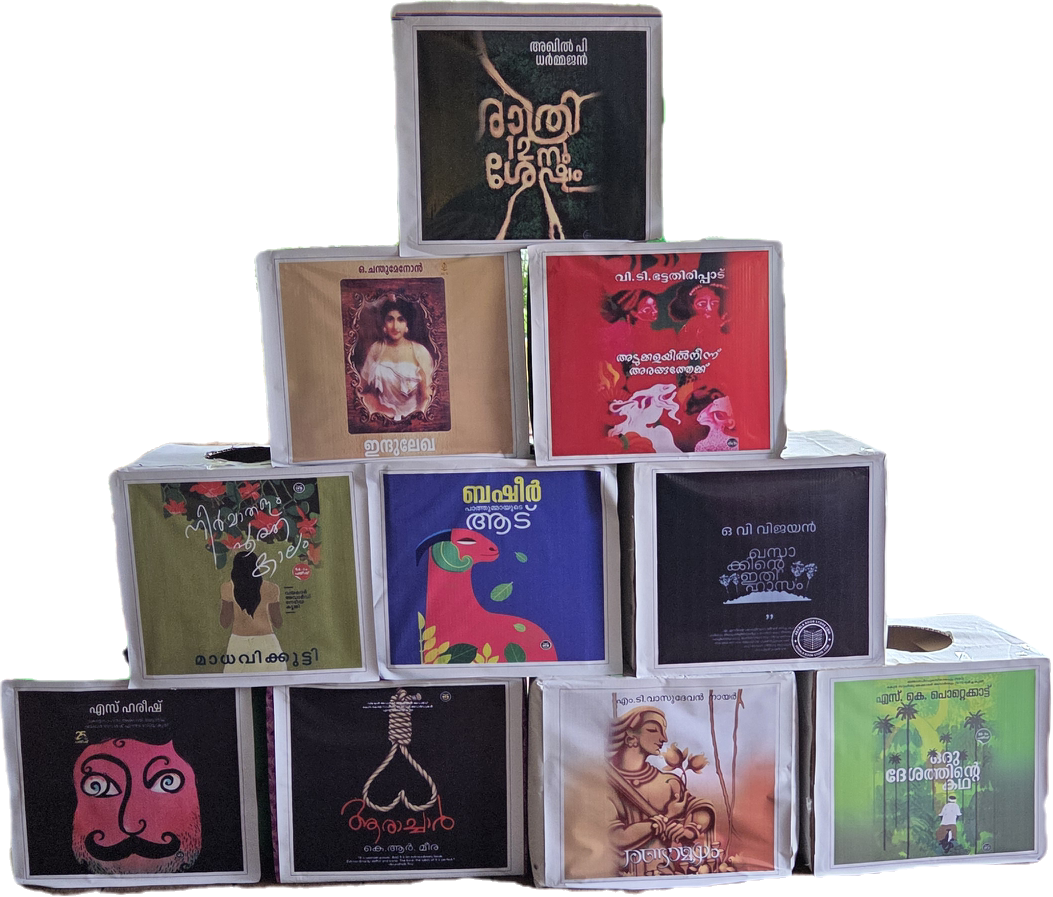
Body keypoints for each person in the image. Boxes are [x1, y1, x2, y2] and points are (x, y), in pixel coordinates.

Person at [606, 706, 715, 876]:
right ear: (630, 736)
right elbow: (616, 837)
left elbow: (701, 809)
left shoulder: (669, 782)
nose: (664, 738)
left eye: (663, 731)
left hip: (665, 875)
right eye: (653, 730)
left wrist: (689, 830)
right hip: (619, 878)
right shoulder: (604, 783)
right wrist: (666, 818)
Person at [359, 295, 435, 421]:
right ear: (384, 324)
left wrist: (415, 420)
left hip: (414, 418)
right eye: (390, 320)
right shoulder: (377, 349)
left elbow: (427, 396)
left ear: (407, 325)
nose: (395, 326)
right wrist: (379, 410)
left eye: (401, 320)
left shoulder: (420, 352)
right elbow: (362, 388)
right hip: (382, 415)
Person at [220, 550, 287, 672]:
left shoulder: (227, 587)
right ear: (256, 567)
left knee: (236, 680)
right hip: (266, 641)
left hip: (238, 643)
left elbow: (225, 623)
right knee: (275, 678)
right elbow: (278, 622)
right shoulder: (271, 588)